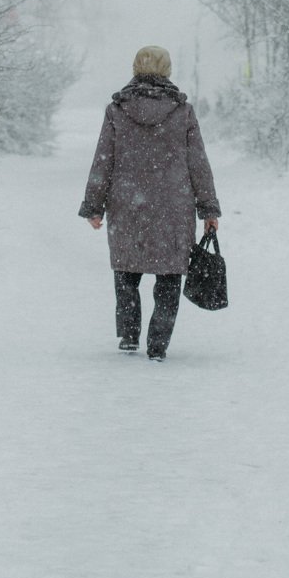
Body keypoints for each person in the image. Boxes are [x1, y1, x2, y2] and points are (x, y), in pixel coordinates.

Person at [78, 45, 221, 361]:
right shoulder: (182, 112)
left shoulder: (117, 110)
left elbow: (104, 160)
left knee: (126, 272)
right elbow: (198, 162)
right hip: (173, 205)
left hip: (127, 203)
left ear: (134, 68)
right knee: (169, 275)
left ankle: (129, 336)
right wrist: (208, 208)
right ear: (168, 71)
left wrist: (94, 206)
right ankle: (158, 344)